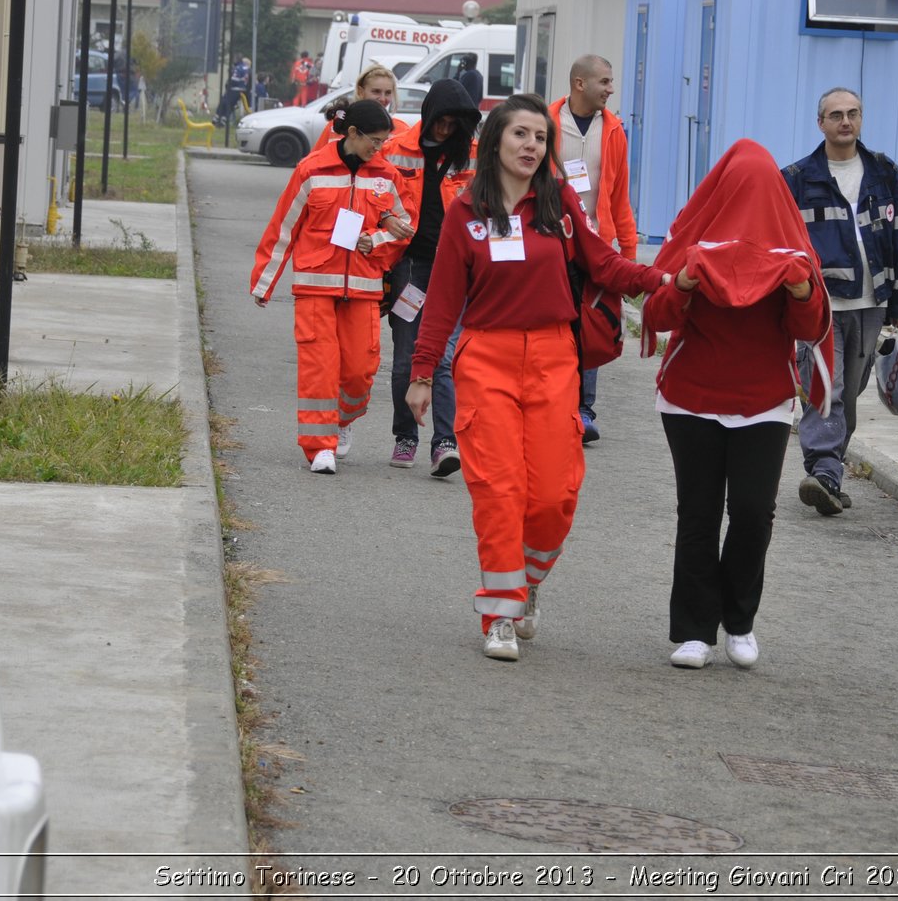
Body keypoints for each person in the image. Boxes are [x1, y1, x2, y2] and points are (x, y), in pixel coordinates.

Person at [406, 94, 670, 662]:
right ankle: (500, 613)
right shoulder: (466, 212)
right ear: (495, 141)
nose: (532, 146)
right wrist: (423, 371)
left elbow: (603, 263)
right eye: (521, 135)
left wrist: (660, 278)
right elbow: (444, 298)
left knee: (555, 493)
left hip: (554, 358)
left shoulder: (558, 204)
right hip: (486, 359)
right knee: (500, 491)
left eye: (540, 138)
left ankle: (528, 584)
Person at [642, 140, 832, 669]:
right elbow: (656, 315)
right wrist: (682, 282)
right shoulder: (695, 239)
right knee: (698, 515)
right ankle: (695, 630)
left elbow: (812, 329)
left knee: (753, 514)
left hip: (763, 401)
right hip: (690, 398)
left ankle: (740, 621)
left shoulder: (791, 247)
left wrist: (799, 290)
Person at [250, 99, 415, 473]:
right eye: (373, 141)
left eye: (383, 142)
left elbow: (406, 227)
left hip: (363, 287)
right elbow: (284, 227)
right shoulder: (311, 170)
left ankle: (342, 420)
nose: (379, 148)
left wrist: (376, 239)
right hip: (314, 287)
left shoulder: (386, 176)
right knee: (318, 368)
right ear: (352, 134)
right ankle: (319, 447)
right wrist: (264, 281)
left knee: (360, 372)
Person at [780, 87, 898, 516]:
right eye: (836, 115)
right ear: (819, 123)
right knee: (829, 388)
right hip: (818, 305)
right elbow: (782, 243)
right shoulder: (797, 178)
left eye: (853, 113)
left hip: (871, 303)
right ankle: (823, 470)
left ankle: (830, 471)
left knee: (851, 390)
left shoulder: (885, 173)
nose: (846, 121)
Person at [379, 78, 481, 476]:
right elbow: (377, 195)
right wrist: (387, 218)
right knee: (406, 357)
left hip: (455, 270)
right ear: (429, 116)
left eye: (455, 122)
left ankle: (445, 443)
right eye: (441, 120)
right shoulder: (397, 149)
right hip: (411, 267)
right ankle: (406, 436)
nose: (446, 128)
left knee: (444, 358)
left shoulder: (472, 155)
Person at [549, 55, 637, 446]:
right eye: (605, 81)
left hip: (597, 243)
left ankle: (584, 410)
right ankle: (553, 404)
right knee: (554, 323)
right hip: (551, 240)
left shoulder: (614, 130)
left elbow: (620, 196)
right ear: (579, 84)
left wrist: (629, 256)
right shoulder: (548, 122)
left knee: (591, 323)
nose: (611, 89)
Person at [314, 63, 410, 153]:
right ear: (360, 91)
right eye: (376, 91)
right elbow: (314, 162)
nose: (383, 99)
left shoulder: (402, 130)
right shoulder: (337, 126)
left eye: (388, 93)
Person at [216, 55, 251, 126]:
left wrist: (229, 84)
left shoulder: (240, 69)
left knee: (226, 103)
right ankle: (220, 118)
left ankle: (221, 119)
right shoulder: (247, 70)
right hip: (242, 90)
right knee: (227, 103)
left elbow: (234, 80)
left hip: (236, 89)